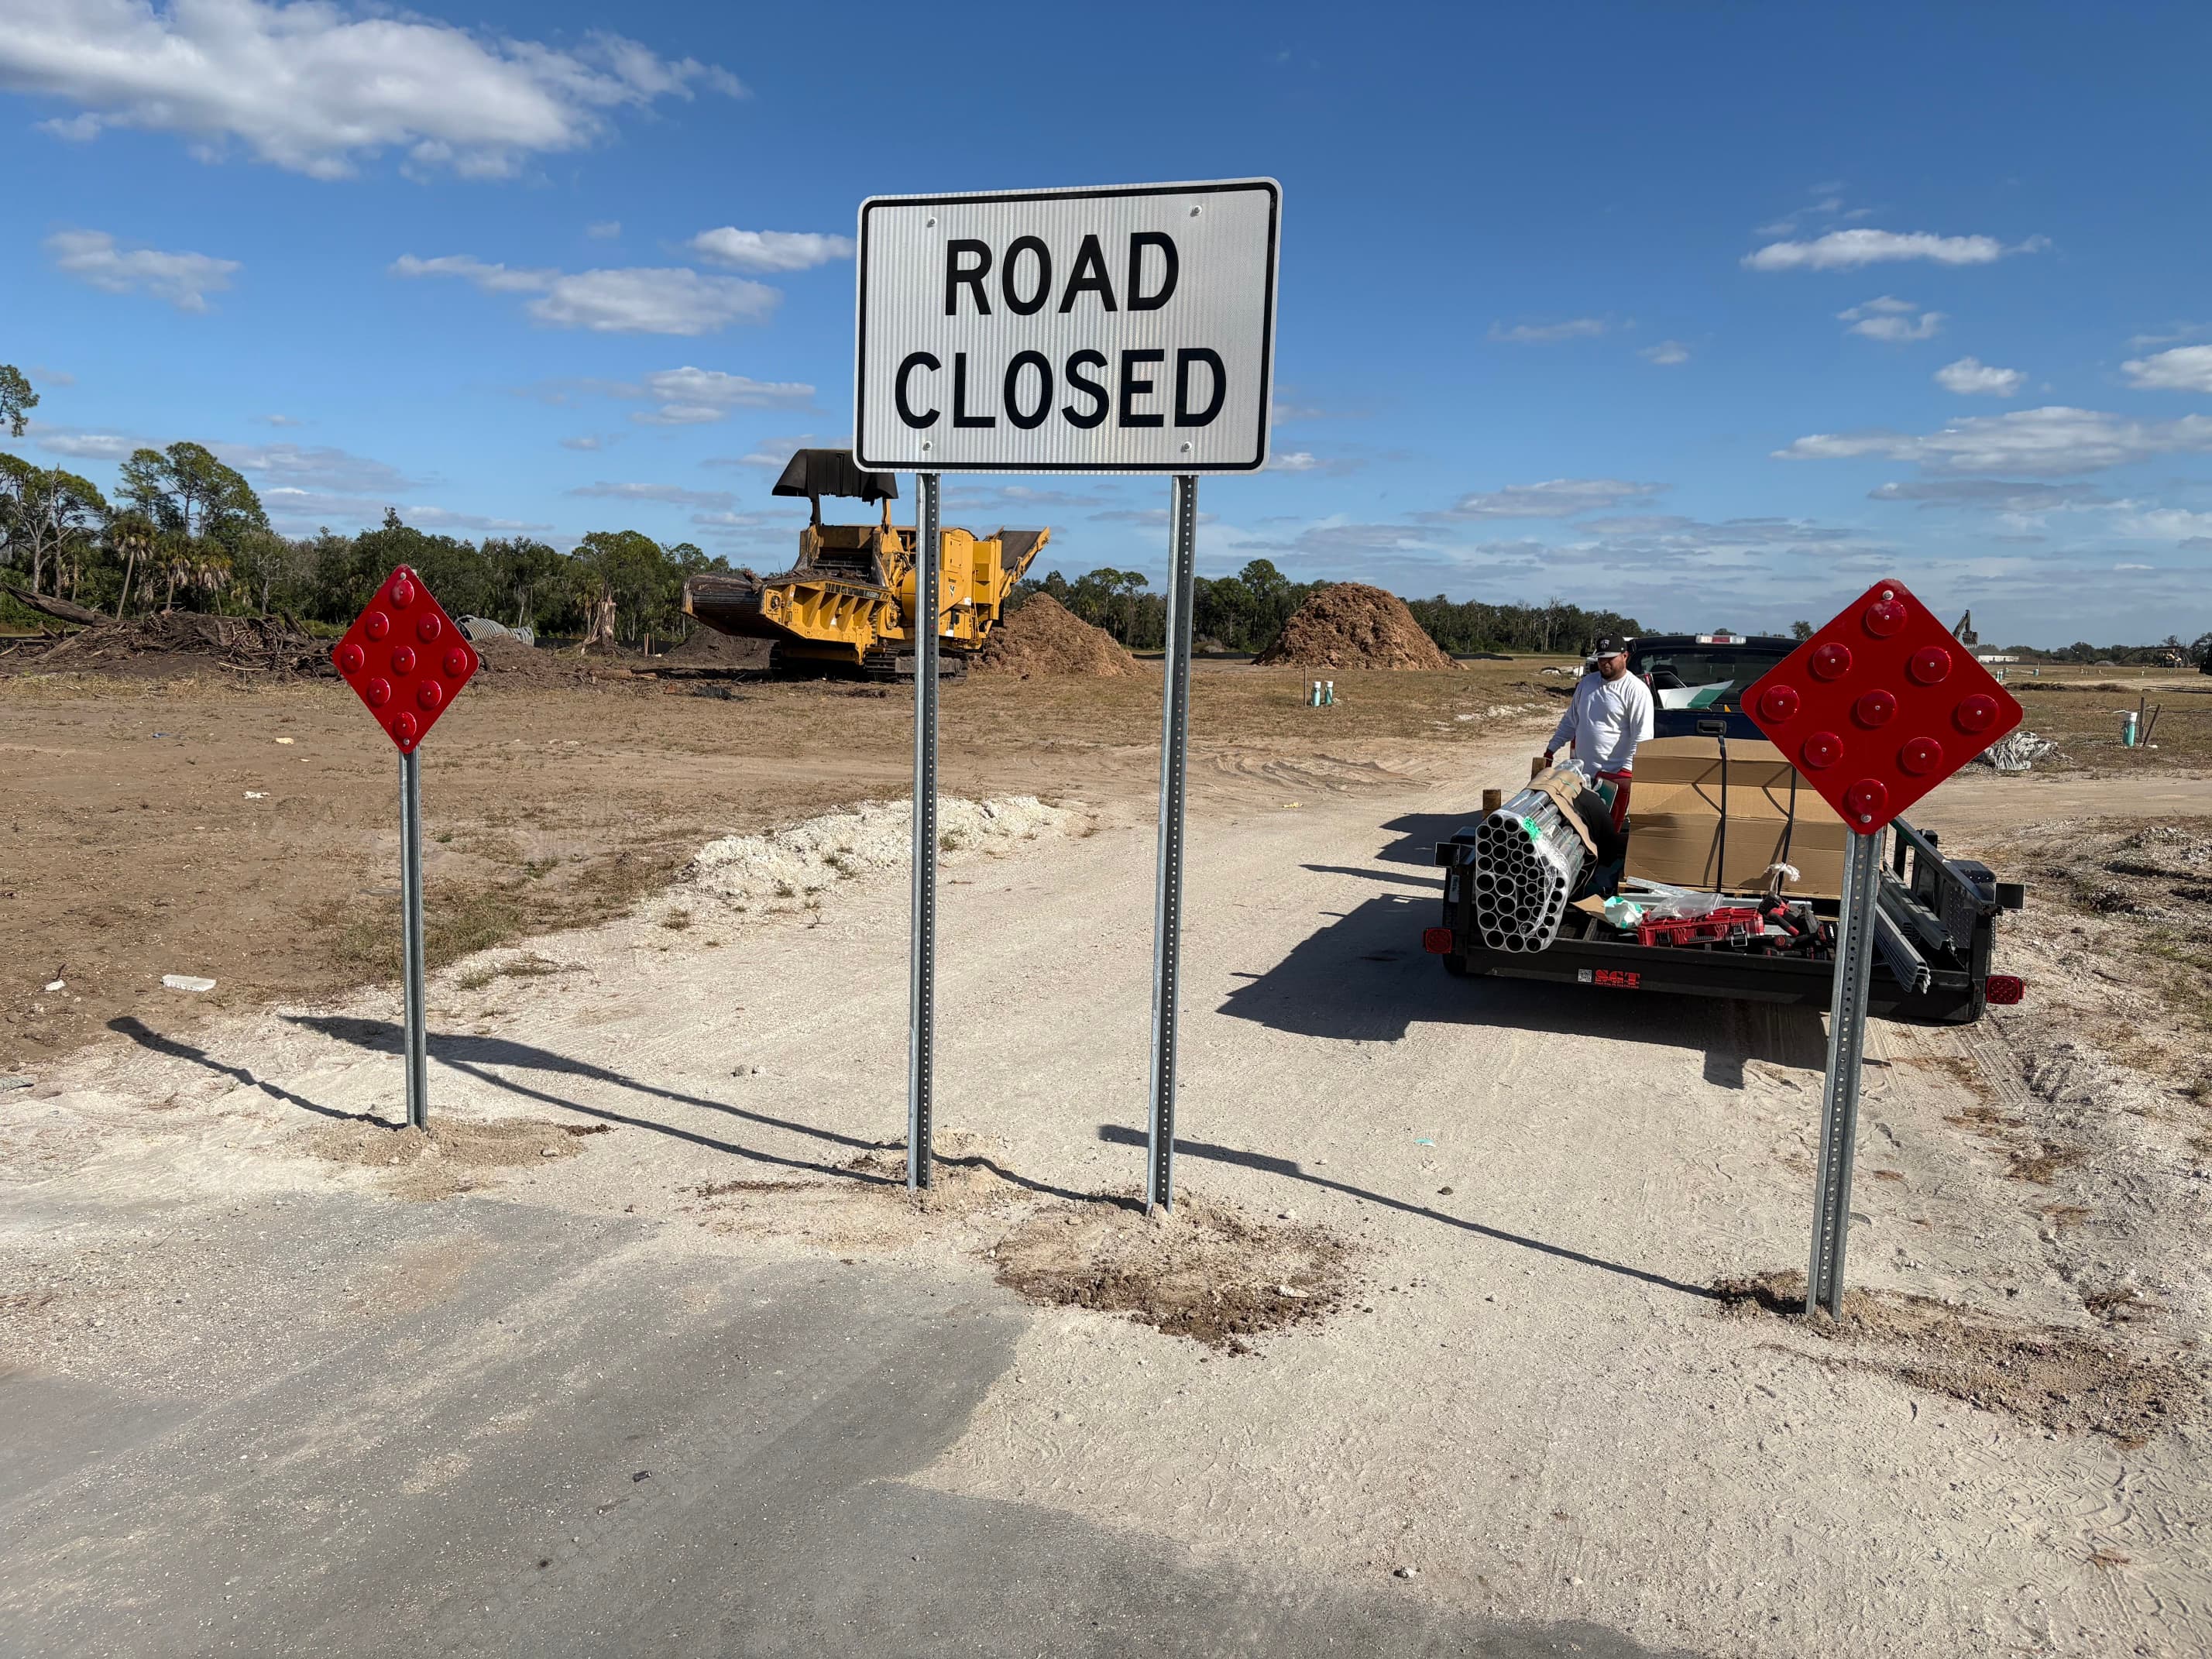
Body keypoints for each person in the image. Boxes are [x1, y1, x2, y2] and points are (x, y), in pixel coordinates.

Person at [1543, 634, 1653, 830]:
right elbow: (1571, 721)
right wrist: (1551, 748)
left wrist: (1626, 772)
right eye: (1601, 659)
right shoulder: (1588, 684)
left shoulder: (1636, 690)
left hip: (1614, 779)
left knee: (1608, 832)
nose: (1604, 664)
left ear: (1625, 656)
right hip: (1583, 776)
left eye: (1610, 659)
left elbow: (1642, 736)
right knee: (1579, 829)